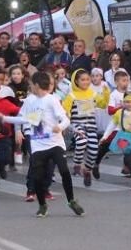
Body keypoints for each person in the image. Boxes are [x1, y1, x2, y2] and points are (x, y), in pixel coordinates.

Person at [17, 71, 85, 218]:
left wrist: (60, 127)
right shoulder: (29, 101)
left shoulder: (52, 100)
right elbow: (20, 117)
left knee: (64, 169)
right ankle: (42, 205)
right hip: (37, 143)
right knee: (38, 175)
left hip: (55, 142)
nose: (30, 87)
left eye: (30, 84)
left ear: (36, 85)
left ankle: (71, 200)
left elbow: (65, 119)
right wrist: (17, 129)